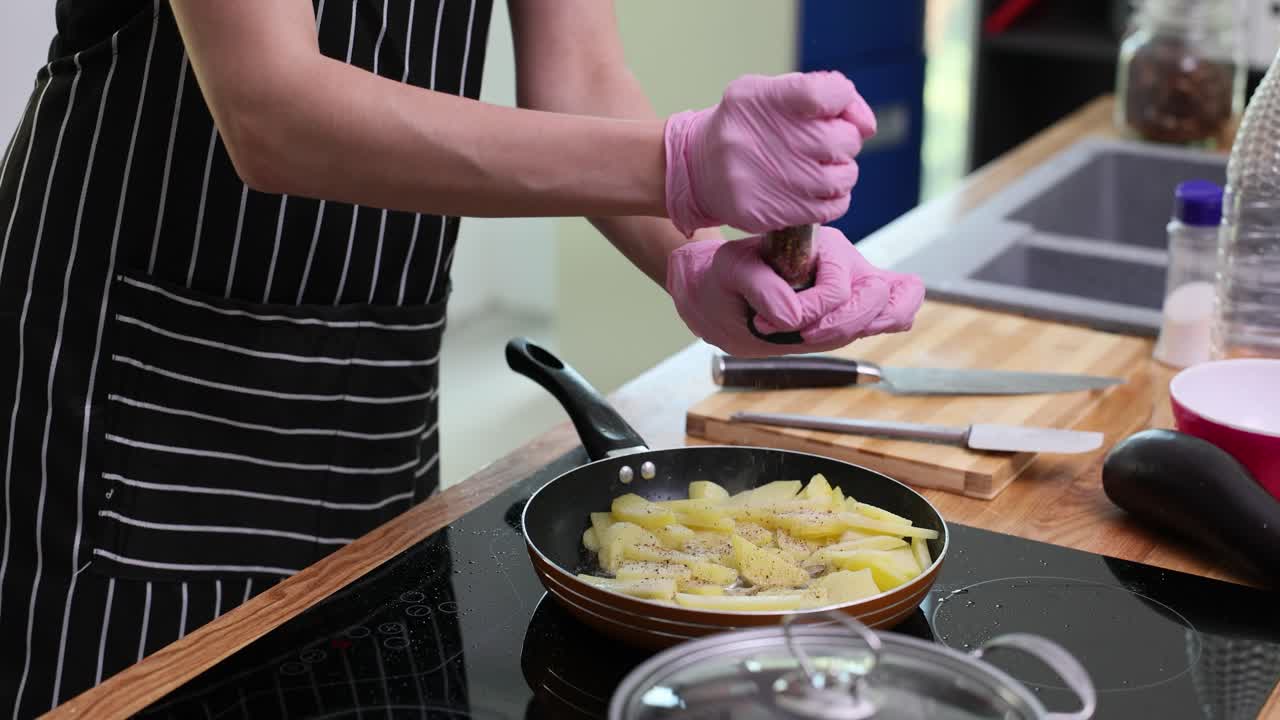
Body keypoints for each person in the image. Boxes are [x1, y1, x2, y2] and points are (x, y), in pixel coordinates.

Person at [0, 1, 924, 716]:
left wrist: (702, 258)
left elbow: (581, 73)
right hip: (140, 386)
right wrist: (678, 163)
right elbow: (269, 109)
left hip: (377, 372)